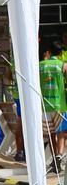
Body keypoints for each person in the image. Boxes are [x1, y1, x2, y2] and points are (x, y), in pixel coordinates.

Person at [39, 41, 67, 173]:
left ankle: (55, 161)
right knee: (61, 133)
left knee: (50, 134)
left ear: (48, 52)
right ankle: (59, 156)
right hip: (59, 105)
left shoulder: (40, 65)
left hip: (44, 106)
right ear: (61, 53)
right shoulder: (62, 64)